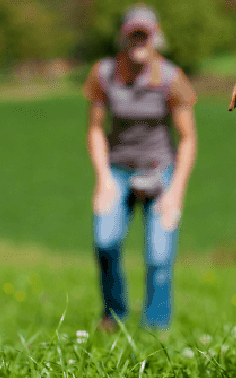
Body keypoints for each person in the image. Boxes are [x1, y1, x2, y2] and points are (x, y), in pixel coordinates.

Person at [82, 4, 197, 330]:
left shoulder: (172, 78)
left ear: (155, 37)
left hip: (160, 172)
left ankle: (155, 329)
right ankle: (114, 314)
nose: (139, 41)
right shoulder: (104, 74)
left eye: (145, 35)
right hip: (117, 170)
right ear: (123, 36)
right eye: (133, 34)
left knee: (159, 258)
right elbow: (94, 129)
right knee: (105, 242)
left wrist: (176, 192)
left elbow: (187, 139)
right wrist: (103, 179)